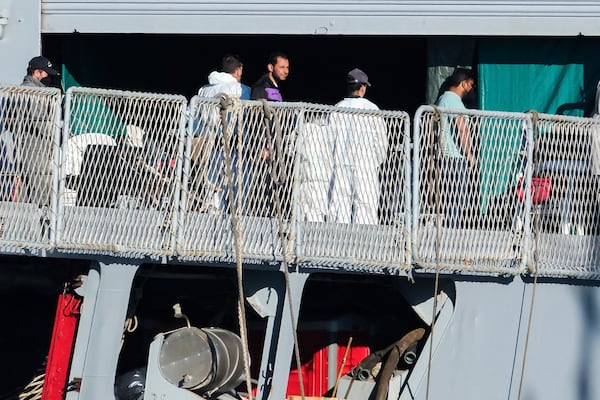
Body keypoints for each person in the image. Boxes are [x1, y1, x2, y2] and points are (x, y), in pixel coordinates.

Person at [328, 68, 388, 224]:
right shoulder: (372, 109)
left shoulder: (336, 108)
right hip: (365, 164)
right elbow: (381, 141)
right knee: (366, 204)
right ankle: (365, 245)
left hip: (340, 163)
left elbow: (328, 141)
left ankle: (336, 241)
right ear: (363, 87)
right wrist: (375, 162)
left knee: (339, 203)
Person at [195, 54, 251, 214]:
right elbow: (244, 117)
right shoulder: (240, 89)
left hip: (209, 143)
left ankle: (212, 220)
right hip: (231, 145)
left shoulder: (204, 89)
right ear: (238, 70)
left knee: (212, 187)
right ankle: (234, 220)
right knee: (239, 186)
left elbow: (197, 115)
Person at [435, 67, 477, 227]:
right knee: (456, 202)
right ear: (464, 83)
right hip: (454, 159)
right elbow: (462, 127)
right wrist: (469, 154)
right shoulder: (452, 100)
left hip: (447, 158)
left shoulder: (444, 98)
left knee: (452, 201)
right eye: (471, 84)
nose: (471, 88)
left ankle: (449, 232)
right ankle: (451, 236)